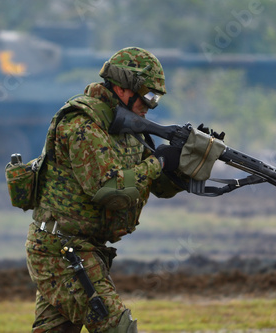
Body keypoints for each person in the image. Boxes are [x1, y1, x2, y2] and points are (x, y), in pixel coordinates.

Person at [25, 46, 185, 332]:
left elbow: (158, 187)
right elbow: (108, 189)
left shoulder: (127, 128)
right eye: (149, 95)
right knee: (118, 328)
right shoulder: (83, 123)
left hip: (77, 247)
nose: (151, 105)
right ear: (124, 87)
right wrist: (158, 162)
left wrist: (185, 165)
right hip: (62, 250)